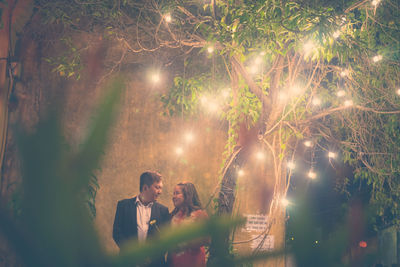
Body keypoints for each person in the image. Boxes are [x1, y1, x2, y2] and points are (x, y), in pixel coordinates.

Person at [113, 171, 170, 266]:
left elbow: (166, 239)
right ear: (145, 187)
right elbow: (117, 233)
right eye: (157, 187)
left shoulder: (163, 211)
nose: (160, 192)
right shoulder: (123, 206)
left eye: (161, 188)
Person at [168, 182, 209, 267]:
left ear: (187, 195)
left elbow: (207, 239)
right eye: (173, 193)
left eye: (177, 193)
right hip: (175, 262)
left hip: (193, 262)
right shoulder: (173, 215)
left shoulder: (200, 214)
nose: (174, 196)